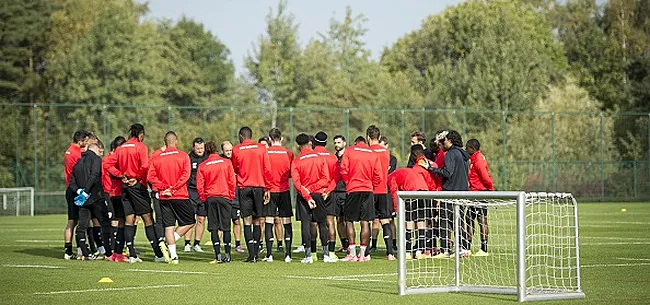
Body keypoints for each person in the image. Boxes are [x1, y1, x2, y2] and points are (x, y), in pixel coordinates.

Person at [104, 123, 166, 263]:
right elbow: (144, 166)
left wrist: (120, 175)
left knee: (129, 219)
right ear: (141, 134)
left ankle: (132, 255)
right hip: (137, 187)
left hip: (125, 188)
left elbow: (107, 164)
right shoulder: (140, 147)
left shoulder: (120, 148)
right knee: (148, 218)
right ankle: (158, 254)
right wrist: (135, 178)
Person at [419, 130, 470, 258]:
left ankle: (444, 250)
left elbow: (447, 173)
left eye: (445, 140)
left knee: (444, 219)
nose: (444, 142)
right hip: (462, 191)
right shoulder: (463, 154)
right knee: (457, 221)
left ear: (450, 141)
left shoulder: (451, 154)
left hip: (451, 192)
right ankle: (464, 248)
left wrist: (430, 168)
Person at [147, 131, 194, 264]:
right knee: (190, 222)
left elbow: (150, 177)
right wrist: (172, 188)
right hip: (180, 195)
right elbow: (186, 175)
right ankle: (171, 240)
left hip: (164, 197)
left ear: (164, 142)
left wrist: (163, 187)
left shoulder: (157, 158)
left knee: (168, 226)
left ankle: (173, 256)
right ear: (176, 141)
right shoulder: (184, 156)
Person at [232, 127, 272, 263]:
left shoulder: (236, 149)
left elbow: (235, 168)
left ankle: (251, 255)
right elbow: (267, 168)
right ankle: (256, 253)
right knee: (257, 220)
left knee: (246, 220)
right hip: (259, 186)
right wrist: (268, 188)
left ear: (241, 136)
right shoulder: (261, 148)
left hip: (244, 187)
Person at [340, 135, 381, 262]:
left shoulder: (349, 151)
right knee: (365, 222)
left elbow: (343, 170)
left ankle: (352, 253)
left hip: (353, 189)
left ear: (355, 143)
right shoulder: (373, 153)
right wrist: (371, 184)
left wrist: (348, 183)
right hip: (367, 189)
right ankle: (363, 254)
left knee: (349, 221)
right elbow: (378, 174)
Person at [291, 133, 332, 263]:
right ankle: (326, 255)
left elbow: (297, 184)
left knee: (305, 224)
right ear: (310, 143)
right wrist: (313, 189)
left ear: (298, 146)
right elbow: (326, 179)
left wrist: (307, 194)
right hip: (319, 194)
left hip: (304, 196)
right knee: (322, 223)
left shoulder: (296, 161)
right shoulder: (320, 158)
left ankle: (308, 256)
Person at [197, 141, 236, 264]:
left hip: (211, 197)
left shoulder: (203, 165)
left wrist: (204, 198)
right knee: (226, 228)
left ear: (206, 151)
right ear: (217, 150)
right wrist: (231, 196)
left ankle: (218, 254)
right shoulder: (227, 162)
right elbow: (232, 181)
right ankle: (228, 254)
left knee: (213, 227)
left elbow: (199, 185)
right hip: (225, 197)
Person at [68, 143, 104, 260]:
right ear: (96, 150)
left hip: (83, 199)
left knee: (82, 226)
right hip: (94, 197)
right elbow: (94, 175)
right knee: (105, 222)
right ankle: (107, 252)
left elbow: (72, 182)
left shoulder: (77, 163)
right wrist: (87, 190)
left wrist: (79, 191)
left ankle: (84, 252)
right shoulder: (96, 159)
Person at [366, 125, 395, 260]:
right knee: (385, 221)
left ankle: (365, 253)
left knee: (366, 220)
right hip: (383, 190)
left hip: (369, 190)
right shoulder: (385, 152)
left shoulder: (366, 152)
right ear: (379, 136)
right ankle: (389, 253)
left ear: (368, 137)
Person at [265, 128, 294, 262]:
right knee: (286, 221)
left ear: (269, 139)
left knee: (269, 221)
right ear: (281, 138)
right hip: (284, 190)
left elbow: (264, 171)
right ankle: (288, 255)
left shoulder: (266, 153)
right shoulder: (289, 153)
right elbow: (290, 174)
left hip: (270, 190)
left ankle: (269, 255)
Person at [387, 167, 429, 259]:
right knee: (421, 222)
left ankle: (408, 252)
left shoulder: (390, 178)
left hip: (412, 192)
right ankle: (419, 250)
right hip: (425, 191)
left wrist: (396, 209)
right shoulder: (404, 171)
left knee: (409, 222)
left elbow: (394, 192)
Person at [313, 131, 340, 262]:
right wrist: (328, 190)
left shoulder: (312, 156)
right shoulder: (332, 157)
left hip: (315, 193)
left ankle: (313, 253)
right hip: (329, 192)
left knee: (314, 223)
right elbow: (336, 177)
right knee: (330, 222)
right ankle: (331, 252)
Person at [63, 130, 89, 260]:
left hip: (69, 188)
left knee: (71, 221)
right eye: (85, 141)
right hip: (77, 189)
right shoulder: (77, 153)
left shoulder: (68, 150)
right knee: (82, 221)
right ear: (81, 141)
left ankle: (67, 251)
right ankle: (81, 250)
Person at [465, 139, 493, 257]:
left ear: (472, 148)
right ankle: (468, 248)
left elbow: (486, 178)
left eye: (467, 148)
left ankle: (484, 248)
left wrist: (490, 190)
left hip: (479, 194)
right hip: (474, 193)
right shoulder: (474, 159)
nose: (466, 150)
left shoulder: (478, 160)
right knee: (469, 219)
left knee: (481, 220)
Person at [410, 144, 439, 259]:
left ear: (414, 154)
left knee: (421, 222)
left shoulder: (416, 168)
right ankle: (432, 247)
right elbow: (438, 180)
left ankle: (422, 248)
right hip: (435, 195)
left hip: (423, 196)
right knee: (431, 222)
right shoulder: (433, 164)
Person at [103, 136, 128, 262]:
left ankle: (115, 250)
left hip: (115, 193)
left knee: (116, 221)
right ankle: (115, 251)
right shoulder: (111, 159)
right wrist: (122, 175)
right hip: (114, 193)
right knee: (118, 221)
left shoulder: (111, 157)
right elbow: (111, 169)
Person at [184, 137, 208, 253]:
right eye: (198, 148)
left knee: (201, 218)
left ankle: (197, 243)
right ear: (193, 148)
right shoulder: (188, 158)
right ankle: (187, 243)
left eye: (202, 148)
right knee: (190, 218)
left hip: (203, 192)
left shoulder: (207, 158)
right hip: (191, 191)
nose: (200, 150)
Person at [221, 141, 245, 254]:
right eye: (227, 151)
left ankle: (238, 244)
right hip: (224, 196)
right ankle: (219, 244)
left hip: (236, 196)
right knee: (222, 222)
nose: (229, 152)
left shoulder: (237, 160)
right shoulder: (221, 162)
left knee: (236, 221)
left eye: (230, 150)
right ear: (222, 151)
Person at [380, 136, 398, 252]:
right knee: (378, 220)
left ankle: (394, 244)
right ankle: (374, 244)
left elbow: (388, 173)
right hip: (378, 191)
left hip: (388, 191)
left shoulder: (392, 158)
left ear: (386, 146)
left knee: (390, 219)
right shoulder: (375, 157)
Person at [332, 135, 349, 254]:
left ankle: (351, 245)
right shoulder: (333, 158)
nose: (336, 144)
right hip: (335, 192)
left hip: (347, 191)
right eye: (335, 142)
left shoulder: (349, 157)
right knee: (339, 220)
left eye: (339, 142)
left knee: (348, 220)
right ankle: (344, 244)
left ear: (344, 143)